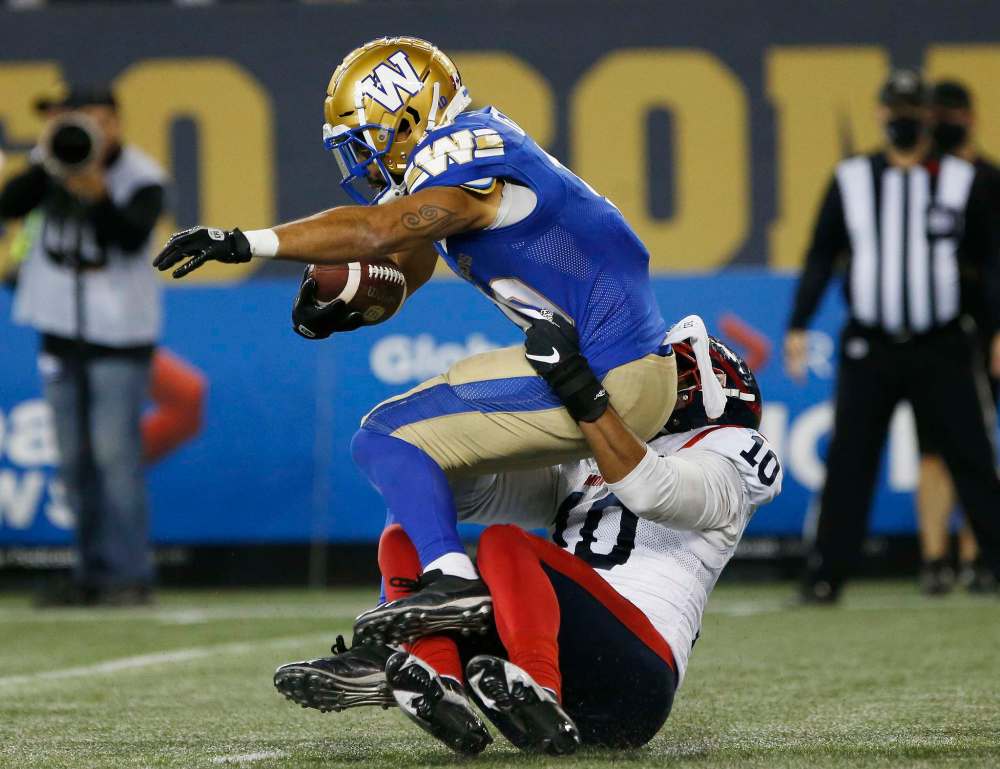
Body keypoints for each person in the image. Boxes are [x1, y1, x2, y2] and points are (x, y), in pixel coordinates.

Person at [153, 37, 684, 628]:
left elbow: (385, 229)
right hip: (615, 366)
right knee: (420, 472)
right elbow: (414, 246)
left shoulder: (463, 145)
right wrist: (362, 301)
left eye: (366, 140)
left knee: (385, 438)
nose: (359, 160)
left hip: (608, 371)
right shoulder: (473, 151)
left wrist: (244, 242)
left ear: (408, 117)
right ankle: (403, 625)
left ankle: (451, 583)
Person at [274, 315, 782, 755]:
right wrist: (459, 432)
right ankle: (437, 679)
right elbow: (466, 492)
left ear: (714, 393)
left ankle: (538, 689)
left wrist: (586, 395)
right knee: (408, 528)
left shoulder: (735, 451)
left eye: (673, 372)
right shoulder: (587, 454)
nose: (647, 376)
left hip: (636, 674)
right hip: (551, 639)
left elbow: (654, 491)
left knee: (505, 543)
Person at [783, 70, 1000, 604]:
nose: (903, 118)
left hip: (941, 342)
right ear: (881, 113)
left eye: (912, 109)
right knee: (850, 463)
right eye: (895, 108)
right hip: (871, 345)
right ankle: (826, 575)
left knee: (971, 458)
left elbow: (990, 261)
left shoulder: (959, 179)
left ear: (926, 115)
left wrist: (996, 330)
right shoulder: (853, 177)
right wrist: (798, 323)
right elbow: (820, 253)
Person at [0, 84, 167, 606]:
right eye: (78, 121)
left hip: (119, 335)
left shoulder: (143, 176)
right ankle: (89, 572)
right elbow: (9, 204)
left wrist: (93, 188)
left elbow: (129, 237)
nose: (89, 131)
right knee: (72, 460)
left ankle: (130, 575)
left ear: (116, 123)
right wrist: (47, 159)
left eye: (97, 120)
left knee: (116, 458)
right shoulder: (50, 165)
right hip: (58, 329)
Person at [916, 79, 1000, 595]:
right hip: (937, 332)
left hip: (979, 330)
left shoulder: (987, 179)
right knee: (933, 447)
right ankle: (935, 558)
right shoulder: (922, 177)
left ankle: (976, 555)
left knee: (973, 448)